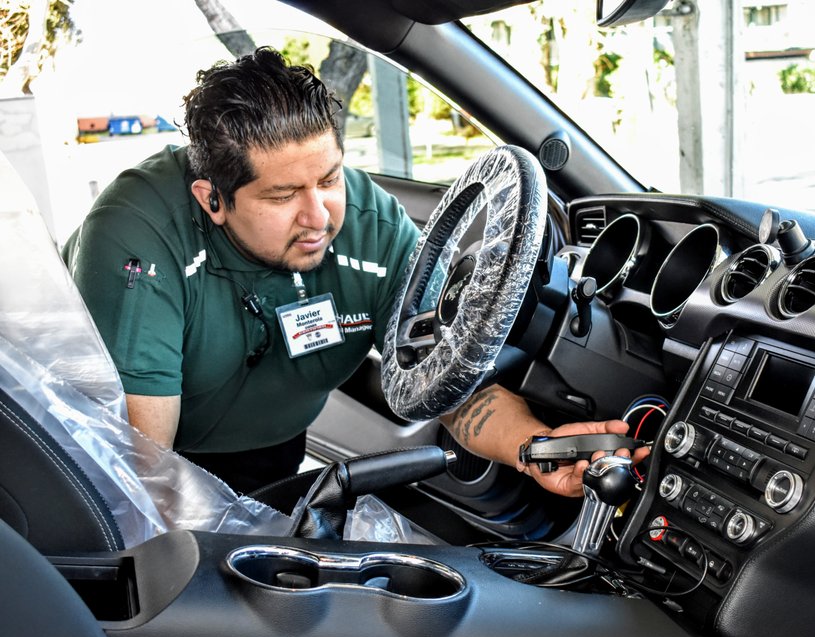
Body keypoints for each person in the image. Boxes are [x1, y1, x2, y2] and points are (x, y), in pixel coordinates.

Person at [63, 47, 647, 501]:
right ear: (212, 199)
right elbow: (137, 471)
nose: (319, 217)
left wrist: (534, 449)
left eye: (329, 179)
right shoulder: (139, 239)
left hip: (273, 453)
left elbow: (448, 386)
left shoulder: (375, 231)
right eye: (282, 195)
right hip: (148, 462)